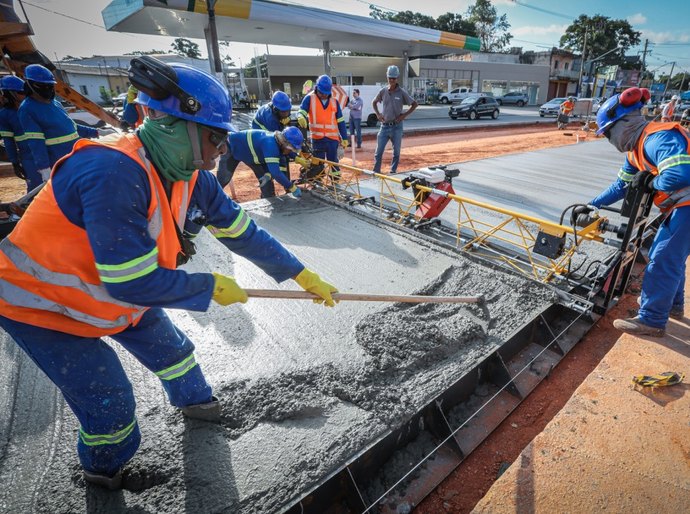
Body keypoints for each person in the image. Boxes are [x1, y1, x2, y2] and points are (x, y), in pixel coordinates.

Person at [0, 57, 337, 489]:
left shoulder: (192, 177)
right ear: (172, 124)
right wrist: (207, 286)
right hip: (43, 305)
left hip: (112, 294)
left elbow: (243, 232)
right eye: (215, 138)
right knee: (110, 405)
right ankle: (104, 472)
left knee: (175, 352)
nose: (221, 150)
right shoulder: (112, 170)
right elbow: (130, 280)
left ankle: (200, 408)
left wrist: (302, 274)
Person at [573, 86, 689, 337]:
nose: (609, 140)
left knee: (662, 258)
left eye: (608, 133)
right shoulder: (635, 150)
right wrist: (592, 204)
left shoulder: (658, 138)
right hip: (681, 206)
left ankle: (652, 320)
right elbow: (622, 185)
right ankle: (672, 307)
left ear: (623, 123)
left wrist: (651, 183)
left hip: (687, 205)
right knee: (672, 257)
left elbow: (681, 174)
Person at [18, 64, 103, 183]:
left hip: (75, 155)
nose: (47, 89)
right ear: (30, 85)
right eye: (43, 86)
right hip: (58, 161)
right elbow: (35, 142)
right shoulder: (27, 109)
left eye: (50, 86)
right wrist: (44, 168)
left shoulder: (56, 104)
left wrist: (97, 132)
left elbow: (72, 127)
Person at [217, 126, 304, 199]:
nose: (290, 152)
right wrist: (292, 187)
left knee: (266, 182)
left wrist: (268, 174)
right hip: (231, 148)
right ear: (285, 144)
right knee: (223, 179)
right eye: (291, 149)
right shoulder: (271, 145)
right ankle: (208, 201)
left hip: (251, 155)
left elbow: (274, 167)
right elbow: (276, 173)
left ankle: (266, 199)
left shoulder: (276, 143)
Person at [297, 75, 348, 176]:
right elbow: (302, 111)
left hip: (332, 139)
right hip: (317, 139)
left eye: (326, 93)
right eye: (322, 93)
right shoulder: (309, 98)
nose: (324, 95)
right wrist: (300, 116)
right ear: (317, 88)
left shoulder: (334, 102)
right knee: (317, 164)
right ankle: (318, 184)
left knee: (333, 163)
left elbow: (341, 121)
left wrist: (345, 138)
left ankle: (335, 183)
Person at [372, 65, 418, 174]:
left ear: (397, 78)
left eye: (394, 78)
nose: (392, 80)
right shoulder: (383, 91)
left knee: (396, 152)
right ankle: (376, 172)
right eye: (390, 78)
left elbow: (414, 104)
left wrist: (403, 115)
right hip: (384, 127)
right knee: (378, 152)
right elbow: (374, 102)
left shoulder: (401, 93)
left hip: (397, 127)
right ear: (387, 78)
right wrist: (378, 114)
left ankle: (393, 171)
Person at [0, 75, 42, 191]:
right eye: (20, 92)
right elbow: (9, 142)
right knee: (36, 189)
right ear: (10, 94)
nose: (24, 94)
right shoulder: (5, 115)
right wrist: (15, 162)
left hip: (45, 153)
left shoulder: (33, 107)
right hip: (28, 158)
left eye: (24, 91)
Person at [250, 91, 292, 196]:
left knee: (284, 160)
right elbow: (280, 144)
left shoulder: (277, 114)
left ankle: (287, 185)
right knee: (268, 167)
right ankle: (267, 194)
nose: (286, 114)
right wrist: (295, 156)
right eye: (283, 112)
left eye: (287, 111)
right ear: (275, 109)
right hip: (260, 144)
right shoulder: (270, 119)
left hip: (270, 138)